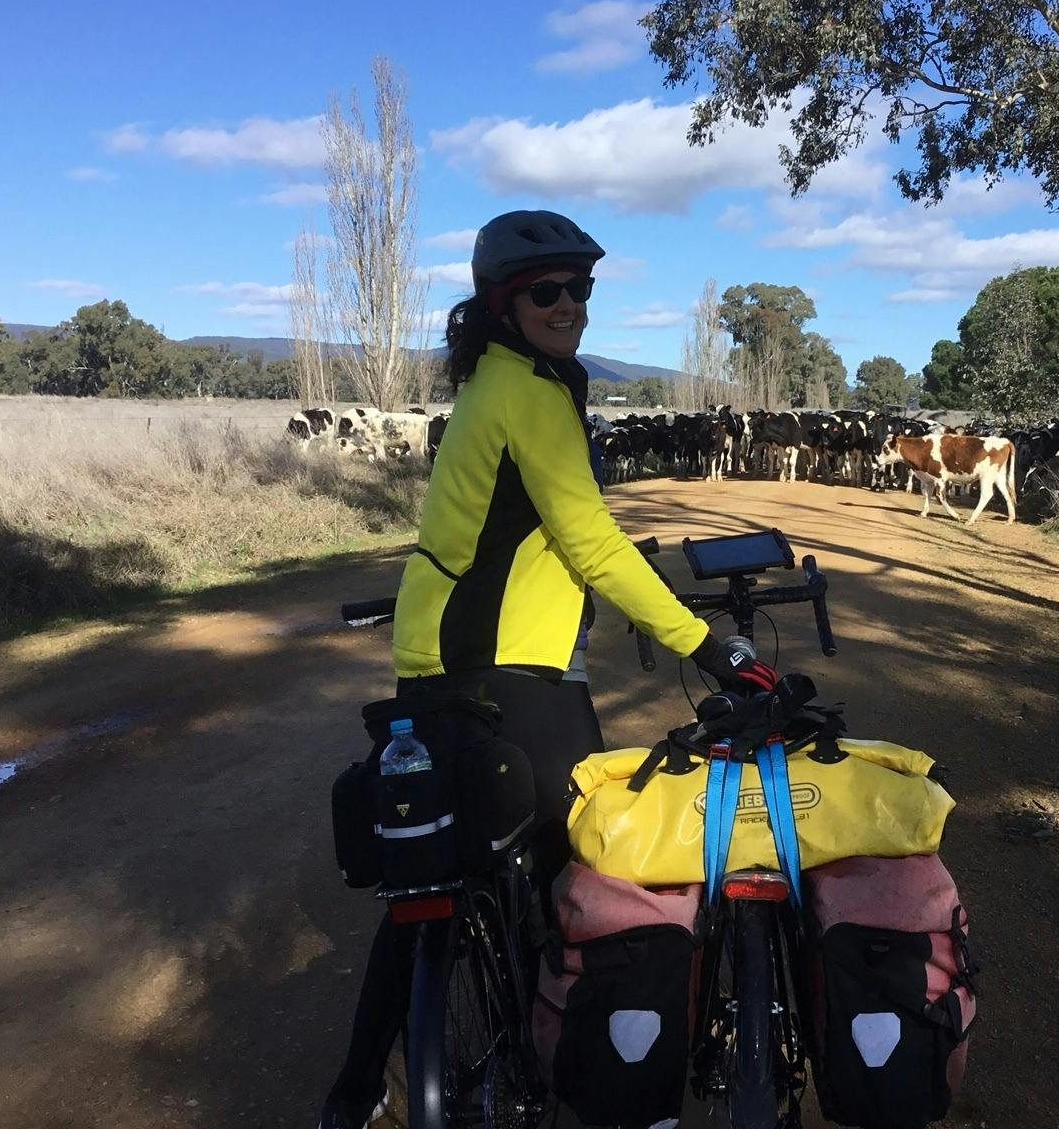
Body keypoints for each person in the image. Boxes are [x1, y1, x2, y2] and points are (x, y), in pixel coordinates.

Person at [320, 209, 777, 1129]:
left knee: (435, 861)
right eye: (546, 291)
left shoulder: (490, 383)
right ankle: (589, 1053)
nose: (569, 305)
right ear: (502, 302)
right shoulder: (530, 390)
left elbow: (500, 526)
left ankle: (357, 1089)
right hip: (508, 662)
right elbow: (592, 542)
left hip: (435, 649)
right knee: (589, 852)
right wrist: (708, 645)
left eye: (581, 289)